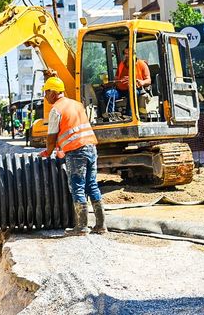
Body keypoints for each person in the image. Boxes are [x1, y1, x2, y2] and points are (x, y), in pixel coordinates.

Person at [39, 77, 107, 236]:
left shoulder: (56, 109)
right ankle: (101, 225)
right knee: (92, 185)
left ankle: (82, 227)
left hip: (76, 152)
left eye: (46, 92)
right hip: (91, 147)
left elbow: (52, 136)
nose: (45, 96)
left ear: (54, 92)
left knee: (77, 186)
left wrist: (48, 152)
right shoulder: (77, 104)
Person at [103, 47, 151, 117]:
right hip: (120, 90)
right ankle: (111, 115)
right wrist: (114, 82)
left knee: (132, 92)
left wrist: (142, 82)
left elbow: (148, 80)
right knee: (108, 94)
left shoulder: (142, 64)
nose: (126, 55)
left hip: (135, 89)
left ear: (134, 54)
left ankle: (129, 115)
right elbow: (116, 78)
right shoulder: (121, 65)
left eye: (128, 53)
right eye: (125, 53)